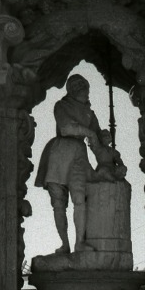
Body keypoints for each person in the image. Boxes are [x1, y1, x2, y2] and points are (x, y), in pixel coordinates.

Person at [35, 74, 103, 254]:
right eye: (81, 87)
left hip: (78, 155)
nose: (85, 91)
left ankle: (79, 243)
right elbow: (66, 128)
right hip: (59, 153)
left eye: (86, 86)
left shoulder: (89, 112)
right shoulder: (61, 106)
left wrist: (104, 138)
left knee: (79, 199)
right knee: (59, 203)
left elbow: (98, 139)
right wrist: (91, 133)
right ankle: (64, 244)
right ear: (72, 89)